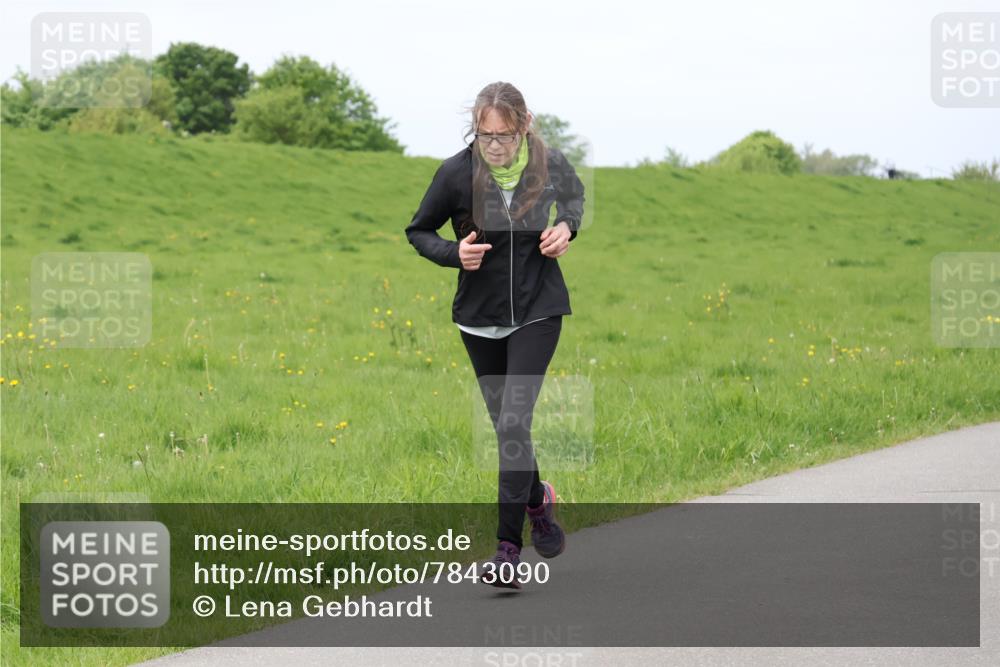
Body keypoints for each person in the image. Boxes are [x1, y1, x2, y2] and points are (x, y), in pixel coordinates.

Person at [405, 81, 586, 589]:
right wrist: (451, 254)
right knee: (510, 432)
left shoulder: (548, 162)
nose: (496, 146)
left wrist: (566, 228)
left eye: (505, 135)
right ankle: (537, 502)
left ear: (524, 125)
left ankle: (507, 551)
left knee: (511, 425)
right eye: (486, 136)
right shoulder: (456, 173)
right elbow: (419, 230)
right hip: (478, 318)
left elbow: (574, 198)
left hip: (538, 309)